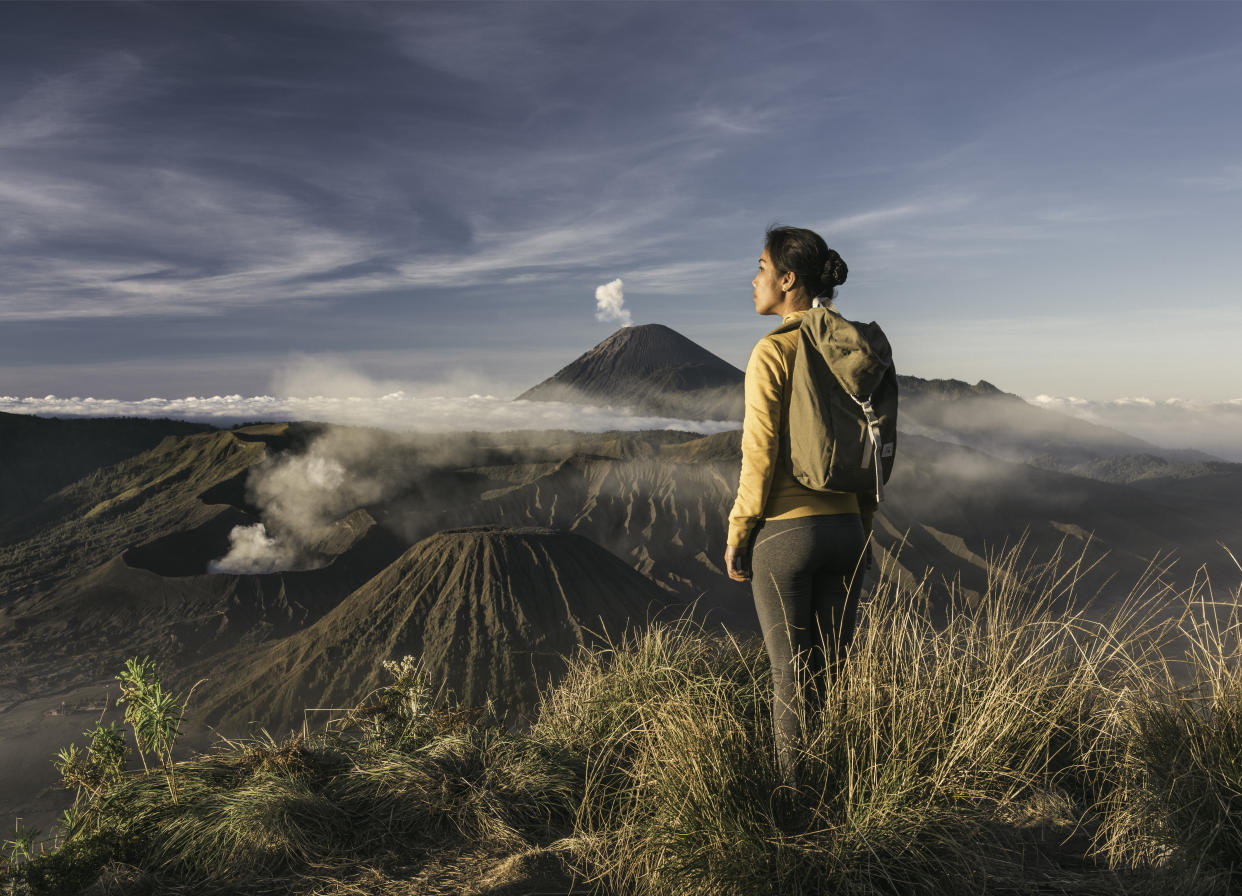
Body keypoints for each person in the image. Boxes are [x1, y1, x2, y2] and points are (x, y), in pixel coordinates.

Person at [724, 225, 876, 779]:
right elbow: (874, 443)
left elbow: (758, 453)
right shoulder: (850, 352)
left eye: (762, 267)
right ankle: (844, 799)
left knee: (790, 679)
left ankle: (797, 808)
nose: (755, 278)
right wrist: (862, 522)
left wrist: (741, 529)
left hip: (788, 535)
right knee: (831, 677)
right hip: (849, 531)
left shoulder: (772, 352)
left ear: (788, 280)